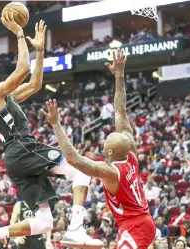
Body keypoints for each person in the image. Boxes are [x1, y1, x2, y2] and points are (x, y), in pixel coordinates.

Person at [0, 13, 100, 249]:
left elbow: (35, 84)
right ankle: (76, 230)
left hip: (16, 158)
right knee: (82, 169)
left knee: (43, 222)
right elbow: (21, 70)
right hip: (22, 149)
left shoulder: (5, 97)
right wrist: (19, 33)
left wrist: (39, 51)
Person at [41, 50, 156, 249]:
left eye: (105, 143)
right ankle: (76, 229)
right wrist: (119, 76)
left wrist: (56, 125)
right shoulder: (131, 155)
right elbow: (120, 112)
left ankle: (76, 228)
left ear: (109, 152)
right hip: (138, 223)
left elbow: (75, 160)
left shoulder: (111, 171)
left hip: (136, 226)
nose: (103, 144)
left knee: (80, 170)